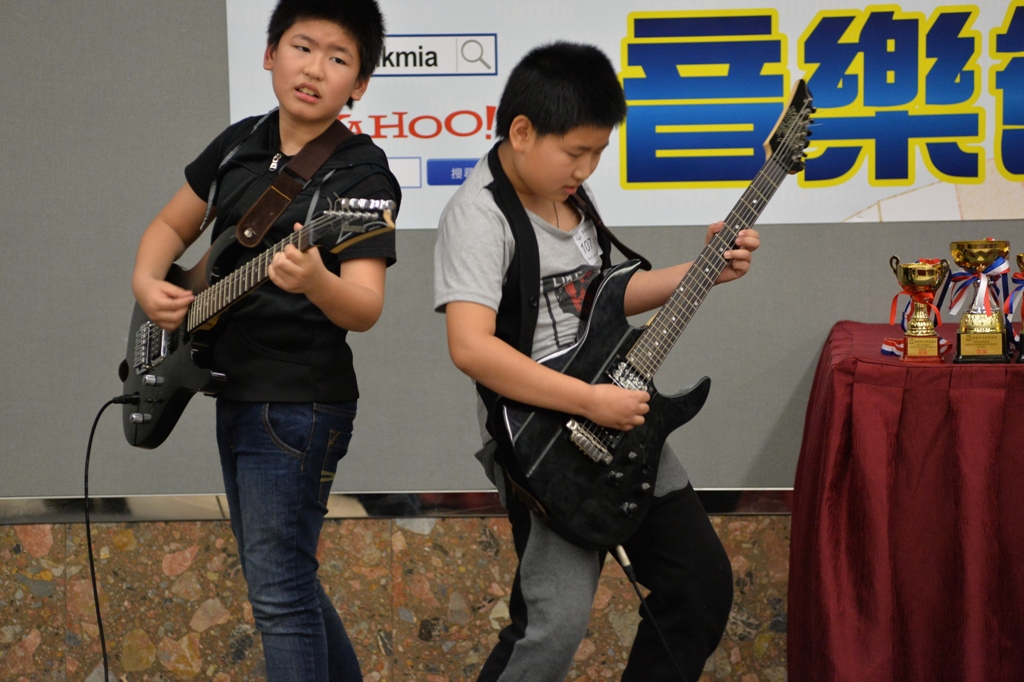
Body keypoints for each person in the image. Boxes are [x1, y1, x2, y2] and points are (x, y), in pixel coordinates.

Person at [434, 42, 755, 681]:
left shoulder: (571, 197)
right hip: (545, 446)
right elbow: (470, 346)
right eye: (575, 152)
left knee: (698, 585)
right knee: (552, 630)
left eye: (599, 152)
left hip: (621, 420)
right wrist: (589, 401)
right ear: (521, 133)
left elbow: (600, 301)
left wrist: (702, 270)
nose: (586, 168)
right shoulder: (477, 217)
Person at [131, 1, 398, 680]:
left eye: (338, 58)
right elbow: (171, 225)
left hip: (299, 404)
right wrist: (147, 281)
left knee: (279, 595)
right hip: (237, 390)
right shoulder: (239, 143)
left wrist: (317, 281)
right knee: (285, 583)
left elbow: (365, 307)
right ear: (271, 53)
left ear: (359, 84)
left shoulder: (363, 177)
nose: (315, 68)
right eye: (302, 47)